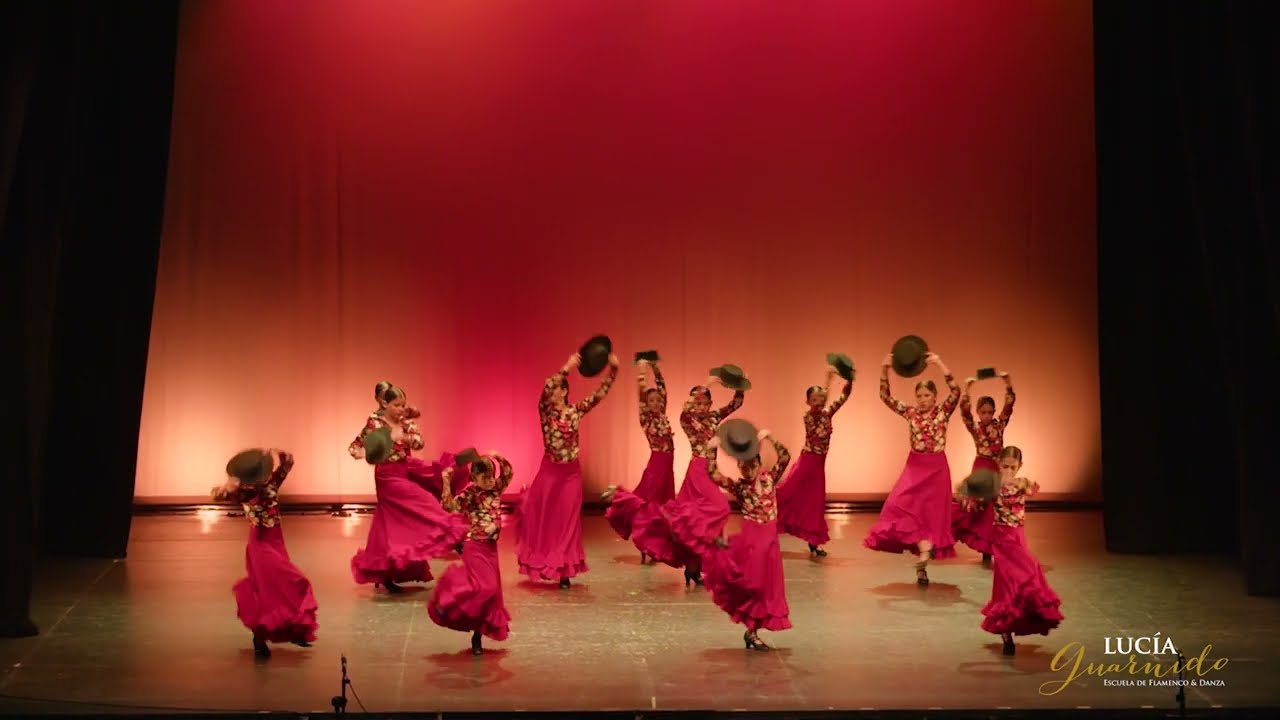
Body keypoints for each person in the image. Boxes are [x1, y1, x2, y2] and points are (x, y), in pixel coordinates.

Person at [349, 382, 467, 592]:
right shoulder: (374, 422)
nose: (402, 409)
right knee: (425, 501)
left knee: (393, 525)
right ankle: (447, 527)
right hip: (387, 477)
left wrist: (404, 435)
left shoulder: (405, 422)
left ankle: (386, 571)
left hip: (403, 470)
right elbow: (356, 446)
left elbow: (420, 443)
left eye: (403, 405)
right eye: (397, 405)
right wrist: (362, 452)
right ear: (385, 403)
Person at [517, 352, 620, 588]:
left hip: (571, 475)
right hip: (550, 473)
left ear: (564, 392)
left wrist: (613, 370)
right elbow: (546, 386)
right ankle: (543, 561)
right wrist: (567, 366)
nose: (551, 392)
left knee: (568, 521)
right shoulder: (545, 412)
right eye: (550, 390)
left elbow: (599, 395)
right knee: (545, 520)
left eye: (555, 390)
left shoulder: (574, 412)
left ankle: (564, 569)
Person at [864, 351, 960, 585]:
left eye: (927, 395)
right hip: (915, 466)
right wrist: (884, 369)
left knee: (929, 517)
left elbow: (956, 391)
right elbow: (885, 396)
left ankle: (923, 563)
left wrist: (940, 364)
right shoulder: (911, 412)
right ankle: (923, 553)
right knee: (898, 504)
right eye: (919, 395)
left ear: (935, 396)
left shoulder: (943, 411)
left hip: (936, 469)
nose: (923, 399)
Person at [213, 448, 318, 659]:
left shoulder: (270, 484)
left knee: (281, 589)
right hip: (260, 543)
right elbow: (218, 495)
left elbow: (287, 465)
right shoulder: (245, 491)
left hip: (276, 540)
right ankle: (260, 636)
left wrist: (280, 455)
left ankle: (293, 629)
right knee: (282, 585)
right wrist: (229, 486)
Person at [702, 423, 792, 651]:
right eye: (743, 465)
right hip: (753, 540)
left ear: (760, 463)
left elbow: (785, 457)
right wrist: (711, 451)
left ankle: (752, 632)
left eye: (752, 464)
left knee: (767, 588)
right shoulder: (740, 487)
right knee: (753, 586)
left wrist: (770, 438)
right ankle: (751, 631)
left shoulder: (770, 478)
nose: (748, 468)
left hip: (770, 539)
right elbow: (713, 474)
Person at [971, 446, 1063, 655]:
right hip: (1002, 538)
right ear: (998, 465)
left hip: (1018, 536)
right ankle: (1006, 633)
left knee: (1027, 573)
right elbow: (977, 502)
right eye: (1005, 467)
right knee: (1006, 581)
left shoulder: (1023, 484)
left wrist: (1018, 483)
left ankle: (1024, 617)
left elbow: (1031, 489)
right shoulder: (993, 486)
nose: (1009, 471)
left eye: (1013, 467)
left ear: (1020, 466)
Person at [662, 376, 747, 585]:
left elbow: (736, 403)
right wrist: (706, 385)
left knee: (701, 522)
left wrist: (739, 384)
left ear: (710, 404)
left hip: (710, 470)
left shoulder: (714, 417)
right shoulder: (687, 420)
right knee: (720, 509)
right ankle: (694, 566)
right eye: (696, 402)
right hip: (698, 471)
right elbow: (685, 408)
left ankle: (695, 568)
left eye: (703, 402)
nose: (699, 406)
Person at [428, 451, 514, 656]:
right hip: (474, 546)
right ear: (474, 478)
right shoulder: (470, 494)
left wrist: (498, 457)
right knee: (485, 586)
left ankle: (477, 636)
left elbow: (508, 472)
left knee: (489, 598)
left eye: (491, 476)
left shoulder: (496, 489)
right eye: (484, 478)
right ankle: (447, 599)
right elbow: (448, 507)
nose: (489, 481)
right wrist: (446, 482)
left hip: (491, 549)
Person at [603, 358, 677, 563]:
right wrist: (642, 372)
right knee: (648, 505)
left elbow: (663, 388)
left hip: (667, 468)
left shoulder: (662, 415)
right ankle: (642, 540)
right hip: (656, 466)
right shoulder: (646, 418)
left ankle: (654, 544)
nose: (655, 403)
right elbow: (641, 396)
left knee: (662, 508)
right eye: (651, 400)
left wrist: (655, 367)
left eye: (657, 400)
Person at [776, 366, 853, 556]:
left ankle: (814, 541)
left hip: (818, 466)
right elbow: (820, 409)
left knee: (815, 504)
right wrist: (827, 381)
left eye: (821, 399)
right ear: (808, 402)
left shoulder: (828, 413)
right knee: (788, 495)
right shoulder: (809, 416)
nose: (818, 402)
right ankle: (765, 525)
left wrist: (848, 380)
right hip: (807, 464)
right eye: (814, 400)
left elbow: (843, 397)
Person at [951, 370, 1016, 565]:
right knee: (977, 508)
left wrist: (1007, 381)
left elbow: (1009, 406)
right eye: (983, 412)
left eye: (990, 411)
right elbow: (964, 412)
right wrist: (968, 389)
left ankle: (991, 548)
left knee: (995, 510)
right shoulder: (975, 428)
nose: (987, 415)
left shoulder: (1000, 425)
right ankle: (982, 547)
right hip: (981, 467)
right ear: (978, 413)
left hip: (996, 469)